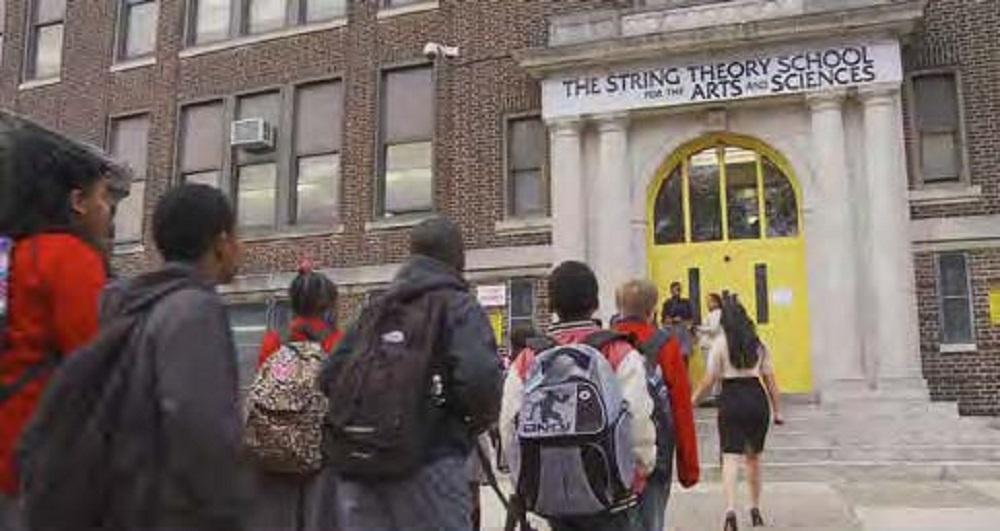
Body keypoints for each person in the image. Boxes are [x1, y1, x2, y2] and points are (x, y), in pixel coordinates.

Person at [324, 216, 502, 531]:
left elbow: (329, 375)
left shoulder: (375, 310)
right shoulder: (459, 306)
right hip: (431, 462)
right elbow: (481, 381)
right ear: (458, 258)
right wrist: (464, 422)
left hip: (361, 465)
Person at [92, 184, 246, 529]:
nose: (241, 247)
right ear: (221, 243)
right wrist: (226, 512)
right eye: (238, 235)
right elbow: (199, 424)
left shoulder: (133, 302)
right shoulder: (193, 309)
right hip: (174, 512)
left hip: (129, 502)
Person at [0, 114, 126, 530]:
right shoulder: (70, 258)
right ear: (77, 201)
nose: (109, 212)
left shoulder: (14, 253)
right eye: (104, 197)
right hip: (40, 460)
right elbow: (94, 367)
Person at [500, 261, 656, 531]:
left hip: (548, 493)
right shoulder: (618, 352)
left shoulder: (528, 359)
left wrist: (524, 483)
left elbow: (509, 427)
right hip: (610, 492)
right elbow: (638, 419)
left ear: (551, 305)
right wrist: (638, 472)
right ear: (595, 302)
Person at [250, 264, 342, 531]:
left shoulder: (274, 340)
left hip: (274, 455)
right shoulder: (336, 343)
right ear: (327, 305)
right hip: (319, 458)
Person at [613, 279, 700, 531]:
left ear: (618, 307)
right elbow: (681, 408)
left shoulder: (603, 343)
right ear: (653, 310)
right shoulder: (665, 345)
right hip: (655, 453)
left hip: (606, 453)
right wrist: (688, 469)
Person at [691, 295, 783, 531]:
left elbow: (709, 380)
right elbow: (771, 380)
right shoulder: (758, 343)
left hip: (731, 397)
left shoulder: (720, 344)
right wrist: (777, 410)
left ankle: (730, 510)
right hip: (756, 397)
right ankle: (755, 509)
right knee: (754, 458)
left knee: (730, 456)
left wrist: (692, 402)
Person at [661, 281, 695, 362]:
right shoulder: (667, 303)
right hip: (672, 331)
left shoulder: (686, 302)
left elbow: (691, 319)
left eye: (679, 289)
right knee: (673, 356)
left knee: (684, 356)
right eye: (676, 289)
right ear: (671, 290)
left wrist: (686, 323)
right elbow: (664, 320)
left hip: (684, 331)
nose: (678, 291)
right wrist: (673, 320)